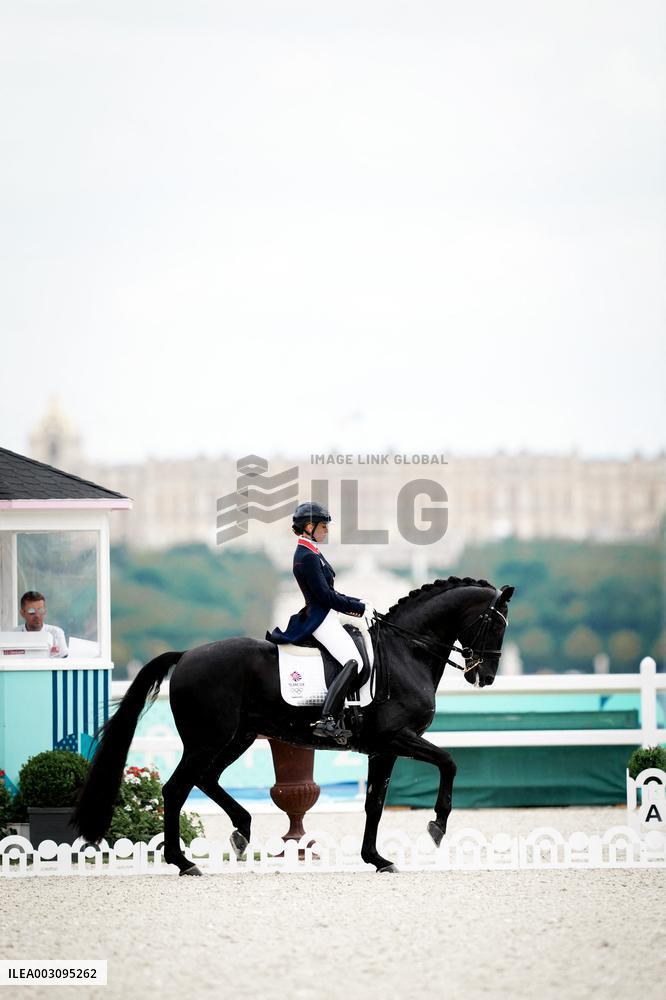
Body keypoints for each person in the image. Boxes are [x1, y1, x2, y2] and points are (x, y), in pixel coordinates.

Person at [267, 502, 373, 745]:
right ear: (308, 527)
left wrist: (358, 602)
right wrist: (358, 607)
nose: (326, 530)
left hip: (325, 614)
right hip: (320, 617)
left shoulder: (312, 551)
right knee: (353, 661)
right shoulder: (306, 556)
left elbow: (328, 592)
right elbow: (325, 597)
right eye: (323, 526)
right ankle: (327, 718)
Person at [15, 590, 68, 658]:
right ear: (22, 613)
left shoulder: (56, 633)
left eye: (40, 610)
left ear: (45, 611)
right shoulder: (14, 635)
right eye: (31, 611)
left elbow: (64, 662)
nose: (37, 615)